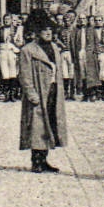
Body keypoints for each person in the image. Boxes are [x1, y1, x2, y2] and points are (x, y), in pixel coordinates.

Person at [17, 12, 66, 174]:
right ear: (37, 32)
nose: (48, 33)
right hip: (38, 93)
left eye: (50, 30)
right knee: (37, 127)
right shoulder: (28, 50)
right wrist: (31, 94)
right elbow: (24, 75)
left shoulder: (54, 48)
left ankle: (44, 159)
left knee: (49, 123)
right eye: (44, 30)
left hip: (52, 90)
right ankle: (36, 160)